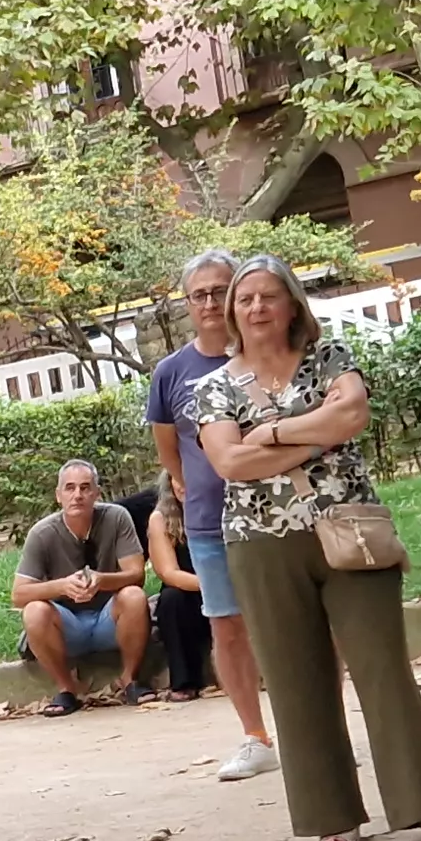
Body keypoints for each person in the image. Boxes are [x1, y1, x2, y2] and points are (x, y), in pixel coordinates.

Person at [192, 257, 421, 841]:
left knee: (382, 667)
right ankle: (331, 814)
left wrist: (267, 434)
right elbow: (229, 464)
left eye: (269, 297)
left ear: (292, 304)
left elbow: (353, 414)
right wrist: (316, 434)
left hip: (350, 526)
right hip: (260, 541)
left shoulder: (330, 358)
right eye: (245, 300)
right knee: (295, 680)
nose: (256, 308)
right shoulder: (212, 387)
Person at [146, 250, 279, 777]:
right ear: (186, 304)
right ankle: (255, 736)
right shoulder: (170, 373)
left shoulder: (267, 356)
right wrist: (187, 482)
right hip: (208, 523)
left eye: (218, 290)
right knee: (227, 629)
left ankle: (313, 726)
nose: (209, 302)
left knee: (291, 624)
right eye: (197, 294)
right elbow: (168, 447)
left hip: (276, 515)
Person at [12, 459, 150, 712]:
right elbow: (19, 594)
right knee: (34, 611)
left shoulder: (117, 518)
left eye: (85, 488)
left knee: (134, 595)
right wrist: (62, 587)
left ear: (96, 493)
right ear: (58, 495)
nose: (78, 495)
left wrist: (102, 580)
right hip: (67, 626)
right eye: (70, 488)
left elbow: (137, 574)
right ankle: (67, 689)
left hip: (110, 619)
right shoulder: (42, 533)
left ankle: (130, 679)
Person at [121, 484, 216, 699]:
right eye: (177, 478)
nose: (183, 484)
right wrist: (212, 584)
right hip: (191, 591)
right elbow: (169, 573)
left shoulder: (224, 505)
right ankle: (184, 682)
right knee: (171, 599)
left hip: (231, 585)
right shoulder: (160, 518)